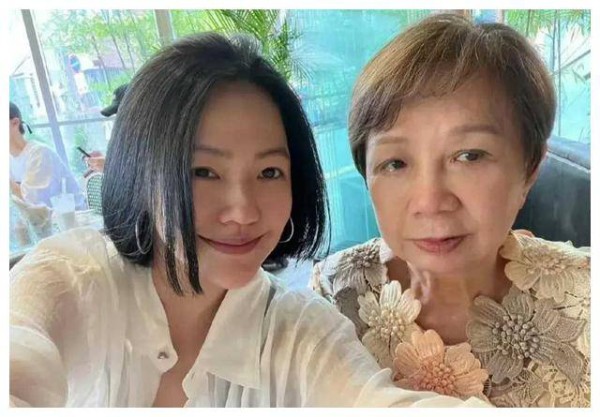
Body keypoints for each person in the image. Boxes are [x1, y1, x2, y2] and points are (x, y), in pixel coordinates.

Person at [9, 32, 490, 408]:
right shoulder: (73, 279)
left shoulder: (298, 329)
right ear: (141, 169)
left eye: (269, 172)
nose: (243, 211)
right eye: (203, 172)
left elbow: (375, 402)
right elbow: (18, 348)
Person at [311, 13, 590, 407]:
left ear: (529, 171)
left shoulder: (586, 298)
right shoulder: (333, 297)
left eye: (469, 155)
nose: (430, 202)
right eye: (395, 163)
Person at [9, 102, 85, 209]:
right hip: (43, 219)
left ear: (15, 123)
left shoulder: (40, 153)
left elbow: (33, 203)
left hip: (73, 217)